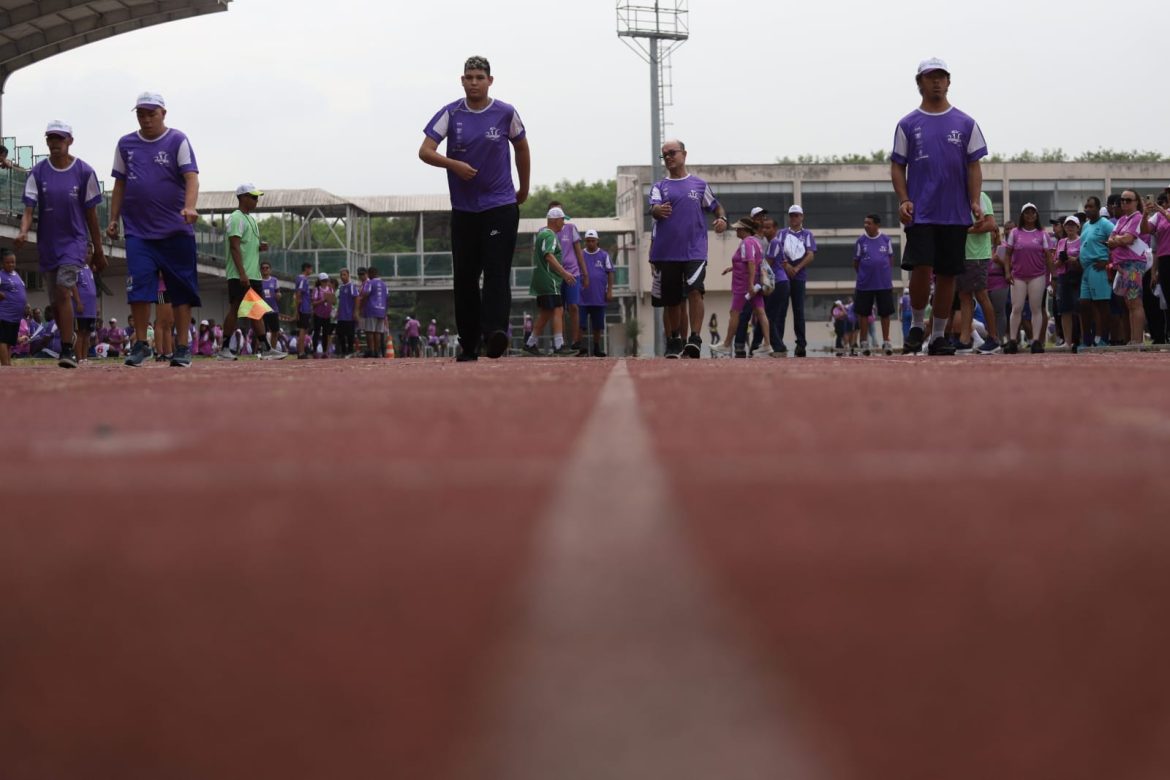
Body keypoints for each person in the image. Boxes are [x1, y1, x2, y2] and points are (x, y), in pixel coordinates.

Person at [419, 55, 529, 362]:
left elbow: (521, 147)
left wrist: (525, 187)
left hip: (501, 204)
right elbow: (425, 151)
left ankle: (495, 333)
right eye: (469, 77)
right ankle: (468, 343)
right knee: (465, 277)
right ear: (462, 80)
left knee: (496, 271)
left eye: (480, 77)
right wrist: (453, 164)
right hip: (465, 209)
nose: (474, 82)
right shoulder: (451, 113)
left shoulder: (505, 113)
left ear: (490, 80)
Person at [890, 57, 988, 355]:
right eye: (930, 77)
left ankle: (938, 337)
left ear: (948, 81)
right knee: (922, 268)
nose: (936, 82)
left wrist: (974, 199)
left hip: (954, 212)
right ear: (919, 83)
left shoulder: (966, 123)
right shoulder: (908, 124)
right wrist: (904, 199)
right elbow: (897, 166)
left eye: (941, 76)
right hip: (921, 211)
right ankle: (918, 325)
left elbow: (974, 166)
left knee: (947, 274)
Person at [106, 92, 200, 367]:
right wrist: (113, 219)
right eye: (141, 114)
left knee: (181, 291)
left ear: (163, 113)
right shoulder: (126, 144)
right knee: (138, 289)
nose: (146, 119)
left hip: (175, 231)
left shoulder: (177, 140)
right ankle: (140, 345)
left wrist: (190, 207)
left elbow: (192, 178)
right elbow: (120, 184)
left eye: (151, 113)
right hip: (138, 232)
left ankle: (182, 347)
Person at [13, 121, 107, 369]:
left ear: (70, 141)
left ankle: (67, 349)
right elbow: (28, 208)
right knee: (55, 299)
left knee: (65, 291)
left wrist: (97, 250)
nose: (55, 143)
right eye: (51, 139)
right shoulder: (38, 172)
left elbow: (92, 216)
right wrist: (23, 231)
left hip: (74, 242)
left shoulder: (84, 172)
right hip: (48, 242)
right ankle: (69, 336)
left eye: (60, 139)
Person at [648, 139, 728, 358]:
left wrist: (722, 219)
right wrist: (657, 210)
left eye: (672, 152)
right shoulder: (659, 186)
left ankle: (695, 339)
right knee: (672, 301)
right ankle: (674, 339)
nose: (668, 157)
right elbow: (653, 208)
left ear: (684, 154)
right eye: (664, 155)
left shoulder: (699, 185)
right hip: (667, 252)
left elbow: (716, 206)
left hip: (695, 250)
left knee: (695, 289)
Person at [217, 184, 283, 360]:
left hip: (253, 275)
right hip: (241, 275)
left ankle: (265, 347)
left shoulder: (251, 220)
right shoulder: (236, 218)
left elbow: (246, 246)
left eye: (257, 197)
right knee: (236, 309)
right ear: (242, 197)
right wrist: (242, 273)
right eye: (253, 197)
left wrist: (259, 248)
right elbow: (234, 246)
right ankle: (224, 348)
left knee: (256, 311)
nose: (256, 200)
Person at [711, 217, 773, 358]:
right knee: (761, 313)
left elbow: (751, 262)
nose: (736, 230)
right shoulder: (756, 242)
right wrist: (732, 268)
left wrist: (749, 284)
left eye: (738, 228)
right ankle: (767, 344)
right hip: (755, 283)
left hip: (744, 285)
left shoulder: (746, 243)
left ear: (745, 230)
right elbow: (753, 262)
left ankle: (726, 344)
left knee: (734, 313)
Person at [522, 206, 577, 356]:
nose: (563, 224)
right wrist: (564, 273)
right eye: (562, 220)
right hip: (549, 279)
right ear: (555, 220)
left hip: (543, 278)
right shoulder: (550, 236)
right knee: (558, 309)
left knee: (546, 312)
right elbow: (549, 256)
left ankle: (530, 343)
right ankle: (559, 345)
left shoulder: (542, 234)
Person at [953, 190, 1002, 354]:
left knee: (981, 294)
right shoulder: (958, 196)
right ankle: (964, 340)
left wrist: (966, 230)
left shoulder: (980, 197)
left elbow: (990, 225)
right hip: (961, 254)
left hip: (977, 255)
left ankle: (993, 338)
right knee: (964, 296)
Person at [1004, 203, 1054, 353]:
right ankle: (1012, 340)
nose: (1030, 215)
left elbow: (1048, 257)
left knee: (1036, 309)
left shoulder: (1042, 234)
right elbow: (1007, 254)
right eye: (1027, 212)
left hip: (1037, 276)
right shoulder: (1015, 232)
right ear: (1022, 215)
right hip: (1018, 276)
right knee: (1017, 307)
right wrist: (1007, 272)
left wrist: (1053, 276)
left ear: (1037, 215)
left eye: (1033, 212)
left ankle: (1036, 341)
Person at [1106, 190, 1150, 346]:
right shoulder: (1122, 219)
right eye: (1122, 200)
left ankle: (1138, 339)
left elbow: (1128, 238)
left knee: (1134, 301)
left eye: (1128, 200)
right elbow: (1112, 239)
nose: (1124, 202)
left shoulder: (1137, 217)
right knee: (1129, 303)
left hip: (1133, 263)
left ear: (1136, 202)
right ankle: (1134, 339)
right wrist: (1119, 239)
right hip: (1124, 265)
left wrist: (1118, 239)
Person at [548, 200, 590, 353]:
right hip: (555, 276)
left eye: (561, 213)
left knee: (573, 307)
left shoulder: (571, 228)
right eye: (556, 213)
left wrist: (585, 274)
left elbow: (579, 253)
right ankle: (561, 343)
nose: (560, 217)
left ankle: (576, 340)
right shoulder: (545, 232)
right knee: (558, 309)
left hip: (573, 273)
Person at [853, 213, 897, 355]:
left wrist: (883, 273)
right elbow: (856, 262)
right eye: (865, 223)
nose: (866, 225)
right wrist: (864, 274)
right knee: (863, 314)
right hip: (865, 284)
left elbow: (890, 260)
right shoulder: (861, 241)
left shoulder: (886, 240)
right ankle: (864, 343)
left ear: (877, 225)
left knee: (885, 313)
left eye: (869, 223)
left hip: (883, 284)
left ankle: (886, 342)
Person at [776, 205, 816, 356]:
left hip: (799, 277)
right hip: (783, 277)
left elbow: (811, 254)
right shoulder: (782, 234)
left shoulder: (807, 234)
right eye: (792, 215)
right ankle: (778, 343)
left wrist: (797, 268)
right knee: (781, 310)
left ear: (802, 217)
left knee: (799, 311)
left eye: (796, 215)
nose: (794, 218)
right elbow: (777, 252)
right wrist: (786, 266)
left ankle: (801, 344)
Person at [1078, 197, 1114, 346]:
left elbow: (1116, 243)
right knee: (1084, 304)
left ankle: (1104, 338)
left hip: (1099, 268)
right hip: (1086, 269)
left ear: (1098, 208)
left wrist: (1107, 262)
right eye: (1086, 206)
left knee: (1102, 304)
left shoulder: (1106, 224)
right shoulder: (1085, 225)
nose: (1087, 209)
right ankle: (1086, 340)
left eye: (1091, 206)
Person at [579, 228, 613, 357]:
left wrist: (609, 291)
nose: (590, 243)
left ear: (597, 241)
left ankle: (597, 348)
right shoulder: (580, 254)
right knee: (580, 324)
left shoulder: (604, 255)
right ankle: (580, 348)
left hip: (598, 296)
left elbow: (610, 273)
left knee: (597, 325)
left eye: (593, 241)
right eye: (588, 241)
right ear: (585, 242)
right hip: (582, 296)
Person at [1052, 215, 1083, 352]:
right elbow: (1056, 264)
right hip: (1064, 277)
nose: (1070, 227)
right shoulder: (1061, 242)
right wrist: (1061, 260)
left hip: (1078, 277)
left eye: (1073, 225)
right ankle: (1068, 341)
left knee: (1080, 308)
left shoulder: (1082, 240)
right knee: (1064, 310)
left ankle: (1083, 339)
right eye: (1068, 225)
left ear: (1078, 227)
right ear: (1064, 227)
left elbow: (1083, 259)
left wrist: (1071, 259)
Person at [1145, 193, 1170, 343]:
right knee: (1167, 297)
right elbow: (1145, 229)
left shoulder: (1163, 213)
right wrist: (1145, 214)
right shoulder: (1159, 216)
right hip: (1165, 258)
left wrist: (1160, 209)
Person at [0, 249, 27, 367]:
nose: (11, 264)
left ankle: (8, 364)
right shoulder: (1, 275)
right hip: (4, 314)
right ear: (2, 263)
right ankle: (5, 364)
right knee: (2, 340)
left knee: (10, 341)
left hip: (15, 316)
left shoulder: (17, 275)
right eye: (8, 262)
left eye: (13, 262)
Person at [357, 265, 388, 357]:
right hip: (382, 310)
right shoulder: (384, 284)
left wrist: (361, 306)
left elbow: (366, 294)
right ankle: (377, 352)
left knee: (370, 331)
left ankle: (371, 350)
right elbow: (387, 298)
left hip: (371, 309)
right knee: (378, 332)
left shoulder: (370, 282)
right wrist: (385, 311)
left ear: (371, 273)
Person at [74, 245, 98, 362]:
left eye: (89, 253)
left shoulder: (89, 269)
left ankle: (85, 357)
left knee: (88, 333)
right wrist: (78, 302)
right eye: (85, 252)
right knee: (80, 333)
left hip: (91, 308)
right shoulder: (76, 268)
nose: (87, 255)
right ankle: (79, 358)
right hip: (81, 307)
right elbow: (73, 286)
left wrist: (96, 306)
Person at [334, 267, 359, 357]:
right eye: (341, 275)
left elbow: (356, 298)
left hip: (349, 315)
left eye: (344, 274)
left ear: (348, 275)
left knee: (350, 334)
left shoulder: (351, 286)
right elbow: (340, 301)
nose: (342, 276)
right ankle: (343, 351)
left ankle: (350, 351)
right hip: (341, 315)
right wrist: (337, 312)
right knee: (340, 333)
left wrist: (355, 311)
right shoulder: (341, 288)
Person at [311, 272, 335, 357]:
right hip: (318, 314)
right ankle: (314, 350)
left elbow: (333, 302)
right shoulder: (317, 289)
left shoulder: (330, 289)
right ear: (320, 281)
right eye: (323, 281)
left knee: (326, 333)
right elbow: (313, 303)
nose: (325, 282)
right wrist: (323, 300)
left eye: (326, 280)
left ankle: (325, 351)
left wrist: (331, 300)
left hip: (327, 315)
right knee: (317, 332)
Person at [259, 260, 282, 350]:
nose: (265, 269)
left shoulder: (274, 280)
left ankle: (273, 349)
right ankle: (263, 350)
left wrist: (279, 295)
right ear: (260, 270)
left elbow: (278, 293)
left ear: (270, 270)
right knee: (262, 332)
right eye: (263, 268)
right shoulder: (258, 281)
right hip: (262, 311)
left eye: (267, 268)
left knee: (275, 332)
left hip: (273, 310)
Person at [293, 261, 314, 358]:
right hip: (304, 308)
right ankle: (301, 352)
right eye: (310, 268)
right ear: (306, 268)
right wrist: (297, 310)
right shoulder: (303, 279)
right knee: (302, 330)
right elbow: (298, 294)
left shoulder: (300, 278)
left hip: (304, 308)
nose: (311, 271)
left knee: (303, 330)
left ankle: (300, 351)